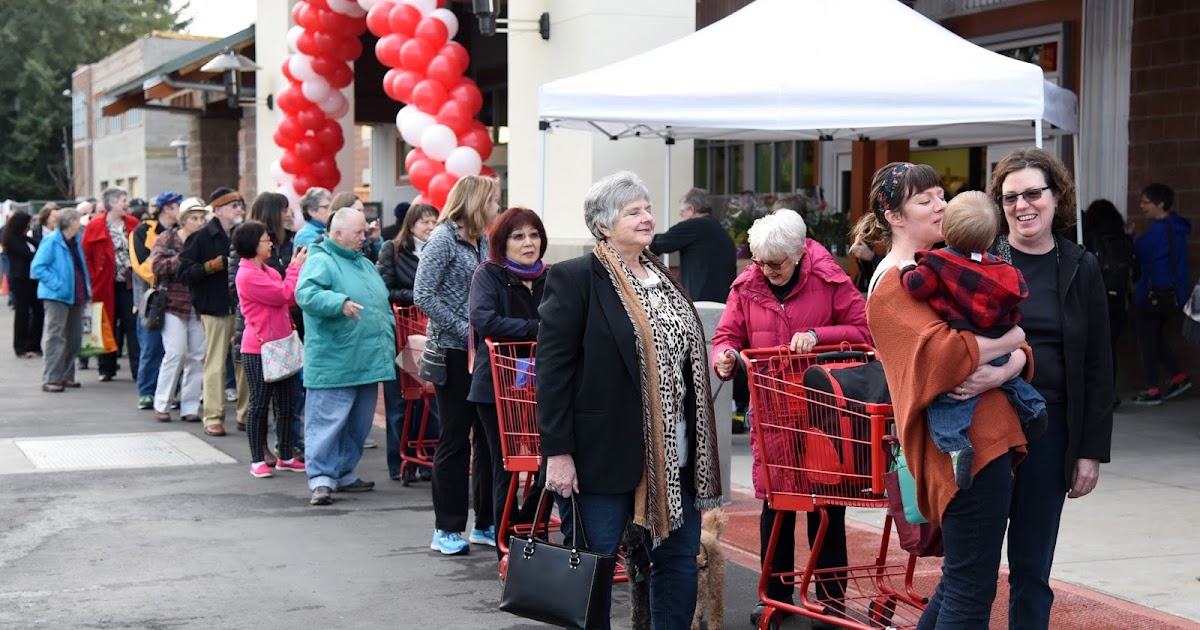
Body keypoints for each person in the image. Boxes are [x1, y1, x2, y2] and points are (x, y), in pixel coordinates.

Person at [538, 171, 723, 628]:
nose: (647, 218)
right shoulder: (575, 279)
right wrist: (558, 452)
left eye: (647, 209)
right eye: (633, 211)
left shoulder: (664, 277)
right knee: (595, 563)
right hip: (602, 453)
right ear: (602, 224)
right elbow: (552, 372)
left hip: (676, 453)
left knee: (678, 559)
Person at [858, 161, 1032, 627]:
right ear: (894, 215)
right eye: (925, 199)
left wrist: (1008, 359)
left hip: (982, 444)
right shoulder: (895, 284)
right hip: (959, 455)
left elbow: (1003, 341)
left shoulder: (947, 267)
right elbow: (946, 357)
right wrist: (1013, 341)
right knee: (970, 589)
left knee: (963, 583)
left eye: (941, 194)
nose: (941, 205)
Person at [710, 208, 870, 621]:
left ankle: (831, 598)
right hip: (772, 406)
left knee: (828, 504)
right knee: (776, 503)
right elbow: (726, 334)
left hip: (823, 409)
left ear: (799, 254)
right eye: (759, 261)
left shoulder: (829, 278)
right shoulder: (748, 284)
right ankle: (775, 597)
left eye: (775, 263)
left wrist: (819, 336)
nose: (766, 270)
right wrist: (723, 356)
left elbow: (865, 330)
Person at [986, 147, 1113, 628]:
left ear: (1056, 196)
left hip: (1052, 429)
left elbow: (1100, 364)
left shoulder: (1082, 266)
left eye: (1033, 193)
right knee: (972, 563)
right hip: (987, 422)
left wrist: (1089, 451)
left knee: (1032, 564)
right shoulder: (981, 260)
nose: (1022, 205)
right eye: (1010, 196)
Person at [899, 191, 1048, 490]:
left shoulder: (937, 263)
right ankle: (1033, 407)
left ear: (945, 230)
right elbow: (1017, 300)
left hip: (968, 341)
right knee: (1011, 382)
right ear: (992, 236)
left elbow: (917, 287)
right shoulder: (1002, 268)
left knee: (949, 401)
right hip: (1000, 342)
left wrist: (905, 268)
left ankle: (957, 448)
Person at [413, 175, 501, 555]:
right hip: (452, 352)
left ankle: (484, 522)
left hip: (480, 352)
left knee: (486, 437)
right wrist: (464, 329)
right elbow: (422, 294)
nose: (498, 207)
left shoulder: (481, 240)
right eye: (495, 200)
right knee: (454, 439)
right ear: (477, 202)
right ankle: (446, 529)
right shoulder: (443, 239)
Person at [295, 207, 395, 506]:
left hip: (364, 358)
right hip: (336, 358)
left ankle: (343, 472)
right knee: (327, 421)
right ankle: (322, 478)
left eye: (364, 231)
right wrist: (339, 302)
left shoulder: (361, 261)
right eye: (358, 232)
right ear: (337, 234)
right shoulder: (322, 260)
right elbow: (306, 293)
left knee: (358, 423)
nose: (364, 237)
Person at [467, 207, 548, 559]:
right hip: (497, 388)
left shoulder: (554, 276)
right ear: (503, 242)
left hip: (543, 386)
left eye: (533, 234)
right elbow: (485, 320)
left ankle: (528, 526)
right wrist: (536, 330)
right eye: (519, 236)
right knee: (507, 466)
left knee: (551, 462)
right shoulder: (489, 275)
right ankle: (509, 548)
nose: (528, 242)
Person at [233, 220, 308, 478]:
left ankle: (286, 455)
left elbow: (283, 289)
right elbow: (284, 295)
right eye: (266, 240)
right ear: (253, 244)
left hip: (281, 344)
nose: (270, 243)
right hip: (259, 348)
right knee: (260, 404)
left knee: (287, 403)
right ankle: (257, 460)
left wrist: (291, 270)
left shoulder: (268, 270)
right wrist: (296, 269)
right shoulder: (248, 274)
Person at [378, 202, 440, 482]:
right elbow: (386, 289)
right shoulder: (392, 250)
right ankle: (398, 461)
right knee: (402, 401)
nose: (429, 227)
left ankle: (427, 459)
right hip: (404, 331)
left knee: (431, 400)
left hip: (432, 333)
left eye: (433, 221)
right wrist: (419, 296)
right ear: (411, 225)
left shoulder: (439, 250)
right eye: (424, 222)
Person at [178, 188, 245, 436]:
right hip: (214, 307)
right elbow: (184, 273)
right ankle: (213, 416)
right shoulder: (201, 238)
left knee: (244, 362)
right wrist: (209, 267)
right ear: (218, 211)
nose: (239, 209)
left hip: (240, 307)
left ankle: (246, 414)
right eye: (234, 206)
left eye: (240, 205)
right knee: (215, 363)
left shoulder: (244, 234)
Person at [1131, 183, 1192, 405]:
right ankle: (1178, 377)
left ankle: (1152, 389)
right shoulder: (1177, 227)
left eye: (1146, 202)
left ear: (1160, 204)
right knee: (1155, 337)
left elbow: (1138, 252)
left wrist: (1129, 237)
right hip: (1173, 295)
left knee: (1146, 340)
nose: (1142, 206)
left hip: (1154, 296)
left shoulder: (1158, 230)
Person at [150, 198, 208, 422]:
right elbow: (156, 266)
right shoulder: (168, 238)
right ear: (183, 220)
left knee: (197, 356)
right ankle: (162, 403)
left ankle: (190, 407)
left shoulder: (203, 241)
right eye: (194, 218)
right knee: (175, 353)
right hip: (172, 304)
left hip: (198, 305)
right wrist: (182, 260)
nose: (199, 222)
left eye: (202, 218)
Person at [82, 187, 140, 382]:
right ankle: (106, 368)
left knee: (132, 324)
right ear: (113, 203)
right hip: (105, 283)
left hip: (129, 283)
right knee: (106, 323)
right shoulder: (95, 225)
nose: (127, 204)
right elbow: (86, 255)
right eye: (124, 200)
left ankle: (138, 368)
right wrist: (92, 277)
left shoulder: (133, 223)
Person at [130, 191, 180, 410]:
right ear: (167, 208)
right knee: (151, 348)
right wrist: (170, 271)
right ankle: (148, 391)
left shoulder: (180, 232)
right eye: (178, 205)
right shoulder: (142, 231)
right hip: (151, 300)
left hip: (178, 299)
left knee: (176, 351)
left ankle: (173, 392)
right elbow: (142, 266)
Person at [1083, 199, 1136, 407]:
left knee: (1091, 350)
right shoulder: (1122, 237)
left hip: (1096, 299)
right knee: (1110, 349)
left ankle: (1094, 393)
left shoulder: (1090, 237)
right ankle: (1109, 393)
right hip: (1118, 301)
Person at [31, 207, 89, 392]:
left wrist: (87, 290)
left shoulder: (75, 241)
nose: (81, 223)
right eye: (78, 220)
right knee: (55, 336)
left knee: (74, 337)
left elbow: (81, 267)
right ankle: (52, 378)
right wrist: (58, 285)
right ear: (71, 222)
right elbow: (38, 267)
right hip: (57, 296)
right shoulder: (51, 241)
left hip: (75, 295)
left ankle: (66, 375)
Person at [648, 187, 737, 303]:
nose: (683, 216)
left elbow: (657, 244)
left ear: (691, 209)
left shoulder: (693, 226)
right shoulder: (720, 230)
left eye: (682, 212)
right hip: (723, 302)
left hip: (700, 303)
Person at [3, 210, 45, 358]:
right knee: (23, 313)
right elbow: (29, 255)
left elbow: (41, 246)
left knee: (38, 311)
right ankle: (20, 346)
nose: (29, 226)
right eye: (28, 223)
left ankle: (34, 344)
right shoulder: (12, 240)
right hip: (20, 280)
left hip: (33, 280)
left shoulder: (26, 239)